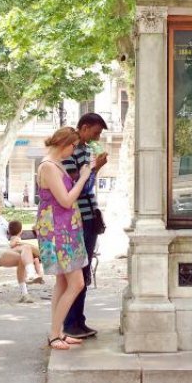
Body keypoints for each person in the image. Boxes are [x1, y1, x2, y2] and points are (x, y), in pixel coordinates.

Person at [35, 126, 93, 350]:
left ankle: (58, 331)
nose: (73, 150)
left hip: (66, 229)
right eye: (73, 146)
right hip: (59, 232)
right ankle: (54, 334)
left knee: (62, 281)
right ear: (64, 144)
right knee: (76, 283)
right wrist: (84, 177)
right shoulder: (48, 166)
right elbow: (66, 201)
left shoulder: (54, 165)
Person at [62, 113, 109, 339]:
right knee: (78, 273)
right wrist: (96, 169)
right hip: (78, 220)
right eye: (96, 132)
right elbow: (77, 187)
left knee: (84, 272)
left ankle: (78, 321)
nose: (96, 137)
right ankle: (70, 323)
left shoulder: (85, 151)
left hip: (89, 218)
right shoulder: (70, 153)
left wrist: (94, 167)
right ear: (84, 127)